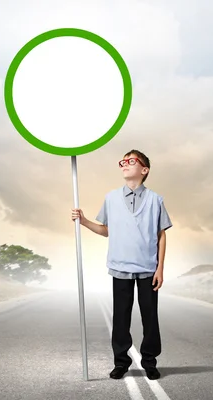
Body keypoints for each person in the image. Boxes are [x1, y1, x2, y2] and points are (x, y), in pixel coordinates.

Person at [71, 149, 172, 380]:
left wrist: (160, 268)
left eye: (131, 161)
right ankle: (121, 362)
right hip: (120, 267)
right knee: (121, 318)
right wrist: (84, 221)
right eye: (122, 162)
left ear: (144, 170)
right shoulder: (111, 198)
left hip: (148, 269)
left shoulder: (156, 200)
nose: (125, 164)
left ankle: (149, 361)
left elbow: (161, 235)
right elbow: (106, 230)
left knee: (150, 318)